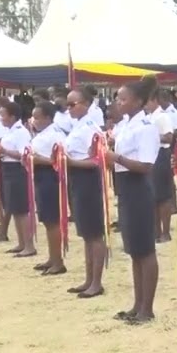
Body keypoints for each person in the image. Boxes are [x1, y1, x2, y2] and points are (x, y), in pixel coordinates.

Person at [106, 76, 162, 324]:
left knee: (145, 249)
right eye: (118, 98)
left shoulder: (146, 127)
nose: (119, 102)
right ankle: (137, 304)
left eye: (124, 98)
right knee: (134, 251)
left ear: (138, 101)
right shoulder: (126, 125)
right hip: (126, 187)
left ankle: (147, 308)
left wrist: (116, 158)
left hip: (139, 186)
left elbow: (146, 165)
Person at [63, 89, 108, 299]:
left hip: (88, 180)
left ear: (86, 104)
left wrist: (70, 162)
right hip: (77, 178)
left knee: (94, 233)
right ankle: (89, 278)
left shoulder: (91, 128)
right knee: (86, 234)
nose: (69, 108)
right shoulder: (78, 125)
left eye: (73, 104)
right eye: (68, 104)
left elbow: (98, 161)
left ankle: (96, 282)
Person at [29, 101, 68, 276]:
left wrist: (39, 160)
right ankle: (52, 258)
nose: (34, 120)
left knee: (52, 221)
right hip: (40, 175)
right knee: (46, 220)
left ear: (47, 117)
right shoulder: (42, 133)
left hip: (50, 177)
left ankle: (58, 261)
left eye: (37, 117)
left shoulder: (55, 134)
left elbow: (61, 159)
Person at [0, 99, 36, 256]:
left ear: (12, 117)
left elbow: (23, 155)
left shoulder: (20, 132)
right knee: (14, 208)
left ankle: (29, 245)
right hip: (7, 168)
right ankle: (21, 243)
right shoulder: (9, 131)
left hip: (17, 170)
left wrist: (4, 151)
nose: (1, 118)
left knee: (22, 209)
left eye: (3, 115)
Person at [146, 92, 177, 243]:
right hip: (151, 155)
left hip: (161, 154)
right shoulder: (150, 117)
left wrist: (151, 136)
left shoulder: (162, 116)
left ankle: (165, 232)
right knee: (153, 196)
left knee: (163, 196)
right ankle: (156, 231)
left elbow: (169, 137)